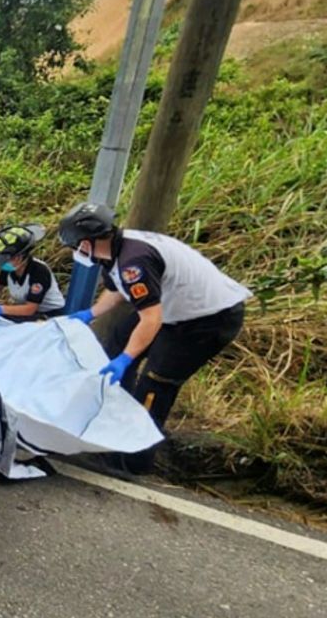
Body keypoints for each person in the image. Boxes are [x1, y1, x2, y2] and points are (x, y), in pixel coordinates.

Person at [59, 201, 251, 472]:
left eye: (76, 245)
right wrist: (91, 313)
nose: (75, 251)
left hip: (207, 320)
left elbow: (150, 319)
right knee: (115, 342)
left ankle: (132, 460)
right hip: (172, 310)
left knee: (154, 384)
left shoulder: (134, 262)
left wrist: (127, 358)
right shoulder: (115, 249)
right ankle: (114, 423)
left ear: (89, 241)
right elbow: (116, 290)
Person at [0, 224, 66, 321]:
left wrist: (0, 309)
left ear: (19, 257)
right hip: (29, 313)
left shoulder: (39, 271)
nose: (1, 263)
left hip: (51, 316)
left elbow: (30, 309)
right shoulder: (10, 268)